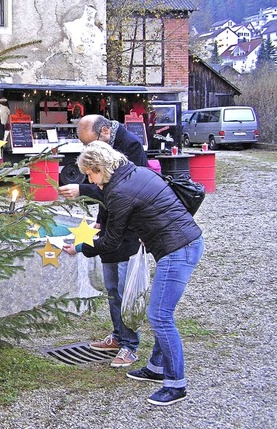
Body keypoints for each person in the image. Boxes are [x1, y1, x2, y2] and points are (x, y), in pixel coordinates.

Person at [64, 141, 204, 406]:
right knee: (162, 312)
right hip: (182, 243)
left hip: (178, 249)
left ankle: (176, 385)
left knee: (160, 316)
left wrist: (81, 248)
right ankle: (156, 368)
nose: (90, 181)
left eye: (90, 175)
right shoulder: (136, 172)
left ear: (99, 168)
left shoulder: (119, 192)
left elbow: (111, 241)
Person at [59, 114, 147, 367]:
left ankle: (131, 345)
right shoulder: (106, 156)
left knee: (124, 291)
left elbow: (117, 191)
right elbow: (106, 193)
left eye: (90, 144)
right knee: (112, 290)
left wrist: (81, 247)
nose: (89, 178)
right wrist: (99, 221)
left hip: (127, 232)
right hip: (111, 225)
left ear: (105, 132)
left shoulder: (130, 148)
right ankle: (119, 336)